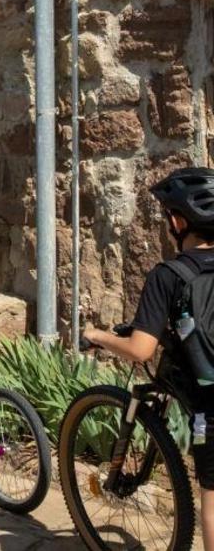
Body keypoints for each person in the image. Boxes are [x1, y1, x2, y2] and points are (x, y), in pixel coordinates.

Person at [85, 167, 214, 551]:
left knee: (212, 497)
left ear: (178, 220)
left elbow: (141, 350)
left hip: (212, 406)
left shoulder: (169, 275)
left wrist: (99, 336)